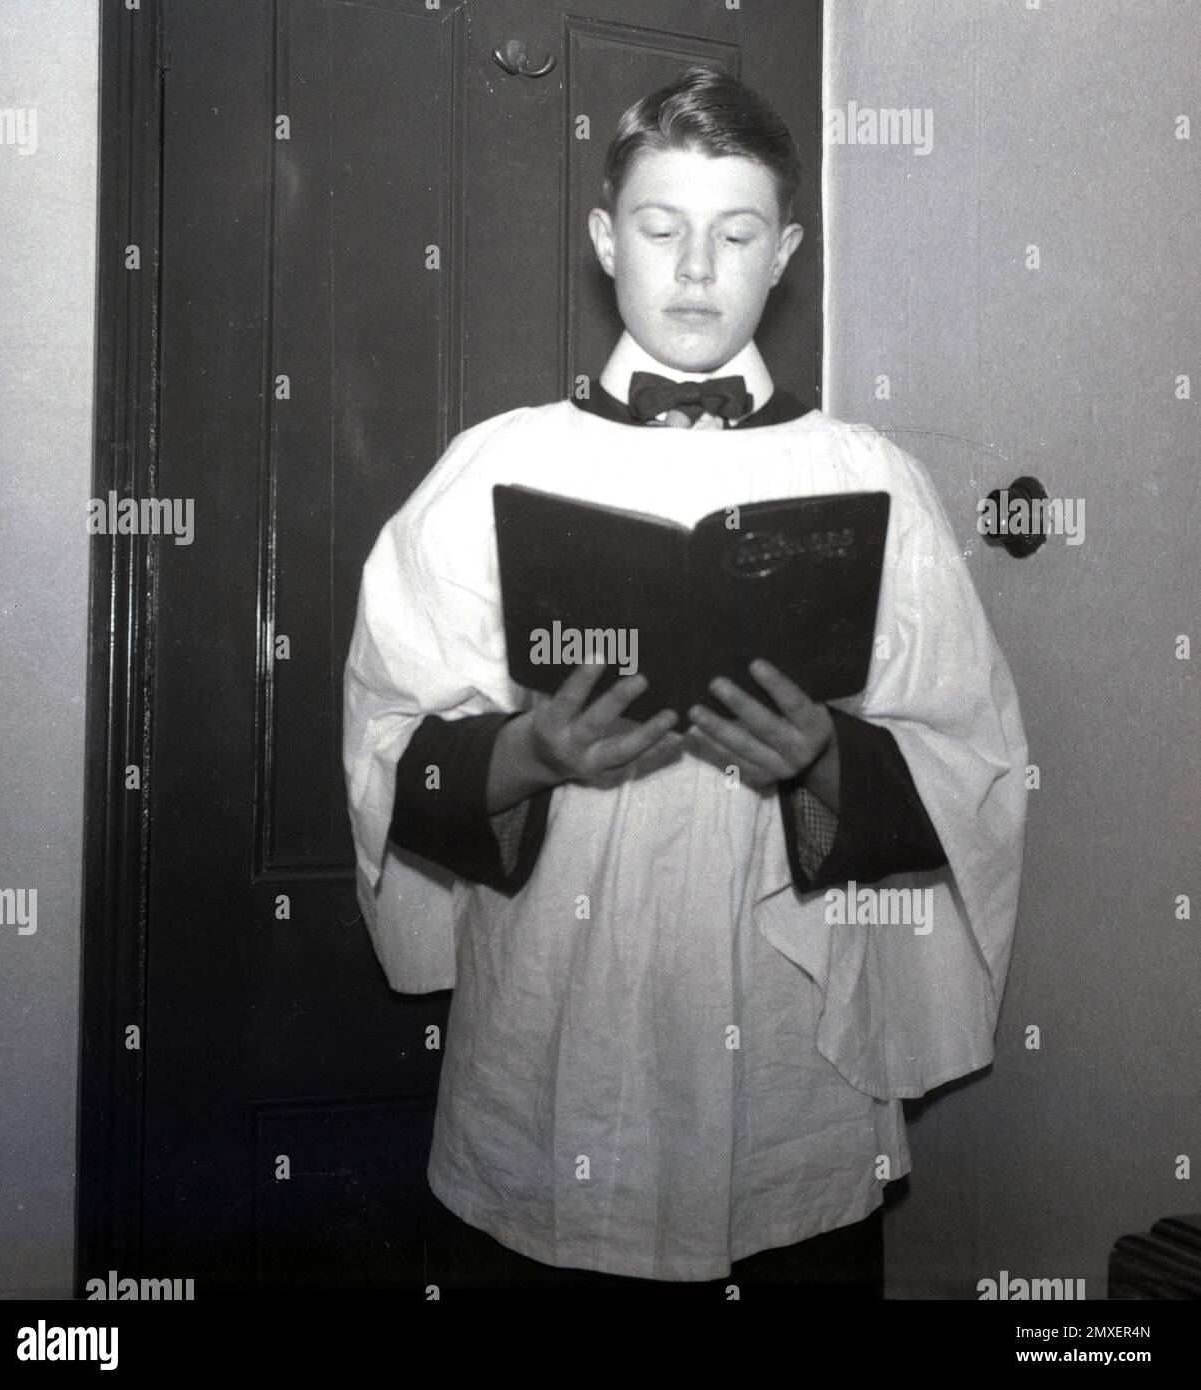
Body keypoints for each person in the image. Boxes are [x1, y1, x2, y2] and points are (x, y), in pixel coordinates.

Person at [342, 66, 1027, 1296]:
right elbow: (385, 742)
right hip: (546, 1037)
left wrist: (822, 756)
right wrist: (525, 755)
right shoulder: (491, 466)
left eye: (737, 233)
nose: (698, 269)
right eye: (661, 230)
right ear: (608, 241)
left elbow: (973, 767)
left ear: (786, 253)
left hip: (784, 1067)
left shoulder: (871, 480)